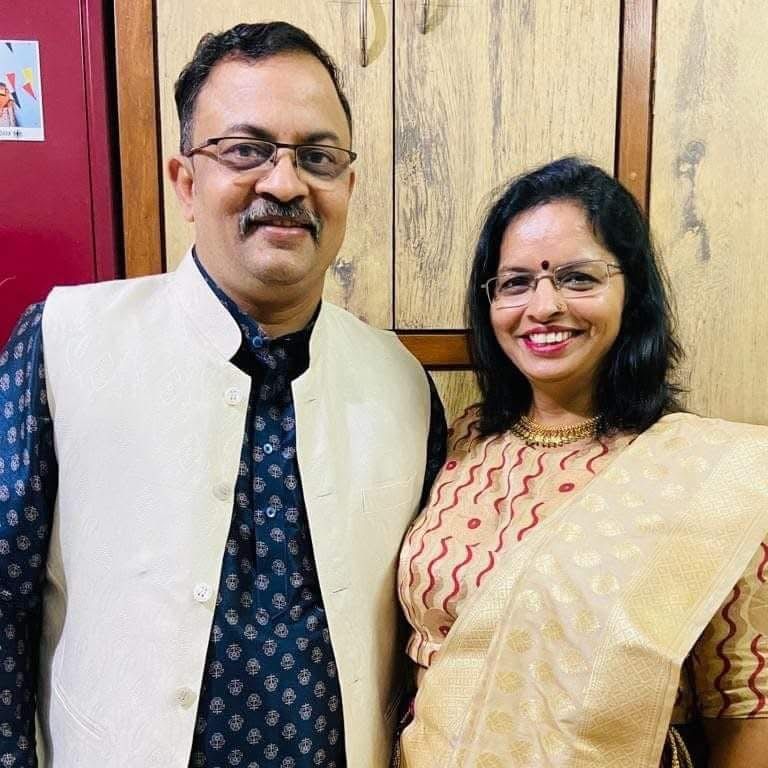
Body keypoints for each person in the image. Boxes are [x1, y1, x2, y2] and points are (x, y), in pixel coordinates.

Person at [0, 22, 446, 768]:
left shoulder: (401, 383)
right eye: (245, 151)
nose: (284, 184)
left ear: (347, 186)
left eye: (318, 157)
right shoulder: (63, 344)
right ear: (185, 181)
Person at [396, 157, 768, 768]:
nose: (543, 305)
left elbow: (744, 702)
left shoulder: (706, 474)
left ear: (632, 292)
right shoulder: (463, 444)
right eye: (515, 282)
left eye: (577, 278)